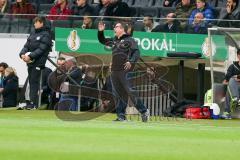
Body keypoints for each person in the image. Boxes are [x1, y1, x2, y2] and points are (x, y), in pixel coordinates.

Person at [97, 21, 149, 122]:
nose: (114, 29)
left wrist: (131, 61)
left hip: (125, 71)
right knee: (117, 94)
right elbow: (102, 40)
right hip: (114, 71)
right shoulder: (114, 40)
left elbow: (136, 52)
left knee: (131, 92)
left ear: (122, 29)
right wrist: (100, 31)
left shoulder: (130, 40)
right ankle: (121, 116)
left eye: (116, 27)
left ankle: (144, 111)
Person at [19, 16, 52, 109]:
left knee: (34, 82)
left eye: (36, 22)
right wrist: (22, 54)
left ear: (41, 23)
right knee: (31, 81)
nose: (34, 24)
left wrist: (30, 56)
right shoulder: (33, 33)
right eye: (34, 22)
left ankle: (33, 103)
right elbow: (26, 46)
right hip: (30, 61)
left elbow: (42, 49)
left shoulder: (46, 35)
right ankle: (29, 102)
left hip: (39, 62)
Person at [222, 50, 240, 119]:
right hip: (234, 88)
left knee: (231, 85)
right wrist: (233, 78)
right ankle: (235, 98)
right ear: (238, 56)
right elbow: (227, 78)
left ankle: (227, 112)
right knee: (231, 82)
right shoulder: (232, 67)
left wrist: (237, 77)